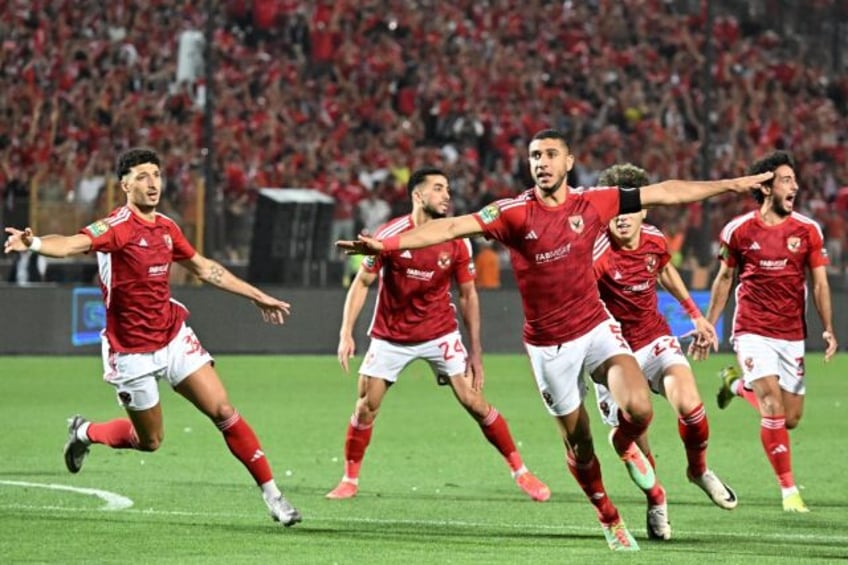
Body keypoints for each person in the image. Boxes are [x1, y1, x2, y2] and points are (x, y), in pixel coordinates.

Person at [338, 129, 773, 552]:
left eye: (549, 155)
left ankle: (623, 445)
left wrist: (732, 185)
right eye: (534, 156)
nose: (541, 163)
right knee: (580, 444)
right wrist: (387, 246)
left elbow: (666, 191)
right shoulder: (513, 213)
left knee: (639, 407)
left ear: (568, 161)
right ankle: (608, 515)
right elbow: (450, 227)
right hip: (549, 348)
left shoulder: (594, 202)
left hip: (596, 329)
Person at [3, 147, 302, 526]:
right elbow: (72, 244)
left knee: (224, 411)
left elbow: (206, 269)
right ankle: (84, 432)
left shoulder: (167, 228)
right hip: (131, 352)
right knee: (151, 441)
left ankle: (274, 497)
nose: (152, 183)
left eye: (156, 175)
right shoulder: (115, 226)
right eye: (142, 176)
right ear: (124, 184)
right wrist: (35, 243)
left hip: (172, 335)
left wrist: (258, 296)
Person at [327, 166, 550, 503]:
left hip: (439, 334)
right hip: (391, 336)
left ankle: (521, 471)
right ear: (418, 196)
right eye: (438, 188)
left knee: (474, 401)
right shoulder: (389, 235)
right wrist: (346, 333)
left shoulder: (456, 240)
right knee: (365, 407)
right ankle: (349, 480)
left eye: (448, 188)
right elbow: (362, 283)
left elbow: (468, 295)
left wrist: (475, 351)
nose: (447, 195)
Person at [589, 163, 738, 541]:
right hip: (614, 353)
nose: (622, 219)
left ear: (644, 209)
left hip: (654, 336)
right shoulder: (596, 255)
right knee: (639, 435)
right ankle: (657, 499)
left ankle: (698, 470)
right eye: (615, 211)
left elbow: (664, 270)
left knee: (690, 404)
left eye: (630, 210)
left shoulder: (654, 238)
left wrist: (696, 315)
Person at [698, 150, 838, 513]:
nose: (795, 186)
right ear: (765, 187)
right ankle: (789, 490)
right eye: (786, 180)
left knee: (789, 419)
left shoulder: (807, 230)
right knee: (772, 405)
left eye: (794, 180)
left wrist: (828, 329)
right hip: (752, 329)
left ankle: (734, 384)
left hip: (791, 333)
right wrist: (708, 324)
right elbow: (724, 278)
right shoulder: (739, 230)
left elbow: (820, 284)